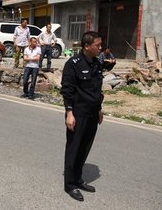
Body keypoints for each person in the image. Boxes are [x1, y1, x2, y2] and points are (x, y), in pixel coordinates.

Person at [60, 31, 114, 202]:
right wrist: (69, 113)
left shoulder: (97, 63)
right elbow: (67, 90)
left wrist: (99, 109)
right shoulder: (73, 64)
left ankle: (78, 178)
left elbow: (96, 90)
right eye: (97, 45)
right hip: (78, 114)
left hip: (92, 114)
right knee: (74, 148)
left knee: (85, 148)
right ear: (86, 46)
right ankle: (70, 185)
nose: (100, 48)